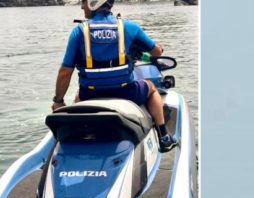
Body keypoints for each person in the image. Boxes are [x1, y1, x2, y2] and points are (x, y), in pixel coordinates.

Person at [51, 0, 178, 152]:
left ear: (93, 3)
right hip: (126, 93)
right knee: (151, 88)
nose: (82, 6)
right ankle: (164, 136)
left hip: (90, 95)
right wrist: (158, 47)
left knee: (78, 95)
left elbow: (65, 73)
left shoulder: (79, 32)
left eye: (84, 2)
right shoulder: (129, 27)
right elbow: (156, 52)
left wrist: (58, 101)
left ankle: (80, 131)